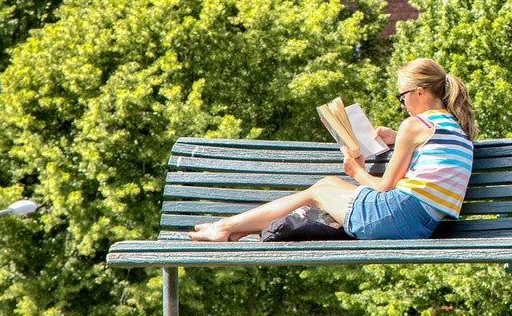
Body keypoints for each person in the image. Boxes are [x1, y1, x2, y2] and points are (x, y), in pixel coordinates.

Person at [188, 59, 476, 242]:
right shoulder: (458, 129)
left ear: (420, 93)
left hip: (397, 217)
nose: (402, 104)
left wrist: (356, 171)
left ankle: (225, 228)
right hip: (423, 226)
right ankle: (232, 230)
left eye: (402, 97)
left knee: (321, 189)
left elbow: (386, 187)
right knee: (324, 189)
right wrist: (394, 137)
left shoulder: (414, 126)